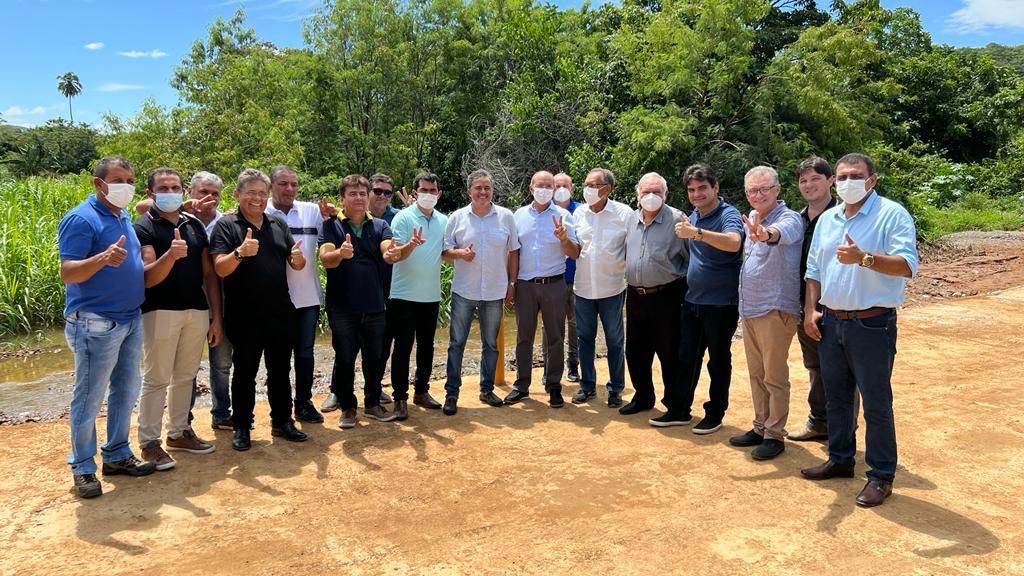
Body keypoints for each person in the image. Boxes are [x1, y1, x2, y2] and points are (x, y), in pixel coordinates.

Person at [801, 153, 918, 508]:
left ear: (872, 180)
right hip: (832, 321)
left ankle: (881, 476)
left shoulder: (891, 214)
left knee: (876, 403)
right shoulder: (829, 220)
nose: (848, 181)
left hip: (872, 323)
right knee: (837, 396)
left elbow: (907, 265)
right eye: (842, 176)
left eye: (856, 175)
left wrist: (864, 258)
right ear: (834, 182)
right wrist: (810, 310)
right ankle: (840, 458)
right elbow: (814, 269)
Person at [58, 156, 156, 498]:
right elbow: (68, 272)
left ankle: (116, 454)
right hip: (95, 321)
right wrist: (101, 259)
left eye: (130, 180)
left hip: (129, 318)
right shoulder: (81, 218)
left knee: (126, 390)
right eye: (118, 180)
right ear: (98, 184)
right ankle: (83, 467)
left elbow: (146, 201)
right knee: (88, 397)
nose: (125, 186)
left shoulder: (121, 213)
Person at [209, 168, 309, 451]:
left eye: (262, 193)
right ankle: (242, 426)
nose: (257, 198)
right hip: (244, 314)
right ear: (237, 194)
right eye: (250, 192)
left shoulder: (278, 225)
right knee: (245, 372)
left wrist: (298, 259)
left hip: (280, 311)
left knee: (280, 370)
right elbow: (220, 268)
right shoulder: (227, 226)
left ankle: (282, 421)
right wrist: (240, 252)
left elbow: (295, 263)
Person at [134, 167, 221, 471]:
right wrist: (170, 256)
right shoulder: (143, 226)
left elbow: (209, 274)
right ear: (150, 194)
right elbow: (147, 277)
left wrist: (216, 317)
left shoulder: (194, 225)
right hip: (159, 311)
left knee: (186, 376)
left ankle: (179, 432)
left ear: (183, 192)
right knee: (157, 378)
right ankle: (149, 442)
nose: (170, 192)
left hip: (196, 310)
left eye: (175, 187)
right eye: (163, 188)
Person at [319, 175, 414, 428]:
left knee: (374, 357)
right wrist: (341, 253)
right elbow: (326, 258)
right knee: (345, 357)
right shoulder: (331, 225)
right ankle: (348, 407)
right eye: (353, 194)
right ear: (343, 198)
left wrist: (404, 249)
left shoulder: (381, 225)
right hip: (342, 306)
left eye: (362, 193)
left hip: (374, 305)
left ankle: (372, 403)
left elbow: (388, 252)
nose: (359, 198)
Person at [660, 163, 744, 433]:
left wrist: (697, 233)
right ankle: (680, 409)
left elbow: (733, 242)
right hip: (693, 301)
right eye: (692, 189)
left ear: (715, 187)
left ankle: (715, 412)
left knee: (718, 361)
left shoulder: (727, 214)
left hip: (721, 303)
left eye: (702, 188)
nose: (697, 194)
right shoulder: (693, 215)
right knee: (687, 358)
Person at [727, 166, 803, 460]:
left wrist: (765, 234)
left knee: (774, 375)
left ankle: (774, 434)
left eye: (764, 189)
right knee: (757, 374)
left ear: (777, 190)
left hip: (775, 308)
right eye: (752, 190)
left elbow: (779, 234)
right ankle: (760, 426)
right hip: (751, 308)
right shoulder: (751, 218)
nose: (758, 195)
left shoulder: (789, 218)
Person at [441, 169, 520, 415]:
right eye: (478, 188)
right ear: (469, 191)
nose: (483, 192)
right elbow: (445, 253)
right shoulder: (456, 217)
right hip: (464, 290)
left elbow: (514, 251)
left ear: (492, 191)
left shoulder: (506, 217)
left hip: (495, 291)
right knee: (457, 343)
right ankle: (452, 393)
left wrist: (512, 283)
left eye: (487, 188)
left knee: (490, 344)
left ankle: (486, 389)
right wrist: (459, 254)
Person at [504, 171, 580, 408]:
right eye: (541, 185)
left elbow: (575, 253)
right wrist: (512, 283)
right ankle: (521, 385)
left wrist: (564, 239)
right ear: (531, 188)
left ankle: (554, 386)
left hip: (554, 285)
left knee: (556, 337)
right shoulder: (518, 216)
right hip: (526, 285)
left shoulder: (564, 216)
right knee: (524, 336)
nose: (545, 189)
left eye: (550, 186)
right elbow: (513, 252)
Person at [620, 172, 689, 416]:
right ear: (638, 196)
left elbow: (691, 259)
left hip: (668, 295)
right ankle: (643, 396)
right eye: (645, 192)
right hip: (636, 295)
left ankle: (674, 404)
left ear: (665, 195)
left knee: (669, 351)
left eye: (656, 192)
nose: (651, 197)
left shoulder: (678, 219)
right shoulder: (631, 219)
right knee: (636, 350)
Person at [265, 166, 328, 424]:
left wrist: (332, 212)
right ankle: (278, 413)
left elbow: (337, 226)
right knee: (277, 361)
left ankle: (303, 403)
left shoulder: (312, 211)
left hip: (308, 297)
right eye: (283, 184)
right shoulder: (261, 212)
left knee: (305, 355)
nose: (289, 189)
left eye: (293, 184)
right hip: (274, 300)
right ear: (271, 186)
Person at [387, 172, 448, 419]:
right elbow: (395, 254)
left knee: (427, 346)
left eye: (433, 191)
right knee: (402, 347)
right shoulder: (403, 218)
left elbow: (445, 252)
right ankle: (399, 397)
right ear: (414, 193)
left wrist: (461, 253)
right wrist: (410, 245)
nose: (429, 195)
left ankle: (421, 391)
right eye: (424, 190)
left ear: (439, 194)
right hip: (403, 294)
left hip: (431, 295)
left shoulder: (444, 221)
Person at [570, 167, 631, 408]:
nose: (588, 190)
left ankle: (616, 388)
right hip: (583, 288)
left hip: (613, 288)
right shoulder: (578, 214)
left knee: (615, 340)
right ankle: (587, 386)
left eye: (593, 185)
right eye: (586, 184)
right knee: (584, 338)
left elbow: (634, 246)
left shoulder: (624, 214)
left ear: (608, 189)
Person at [788, 157, 838, 442]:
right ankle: (819, 421)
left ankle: (842, 432)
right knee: (815, 366)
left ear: (831, 181)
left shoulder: (842, 216)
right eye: (803, 181)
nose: (808, 185)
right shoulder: (797, 219)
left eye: (815, 179)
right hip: (802, 305)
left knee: (839, 370)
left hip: (835, 306)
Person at [551, 172, 581, 382]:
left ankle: (573, 366)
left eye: (565, 185)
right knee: (550, 326)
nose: (561, 188)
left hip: (579, 277)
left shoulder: (581, 211)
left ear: (572, 188)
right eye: (557, 185)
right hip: (553, 279)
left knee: (576, 324)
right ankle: (550, 368)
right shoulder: (544, 211)